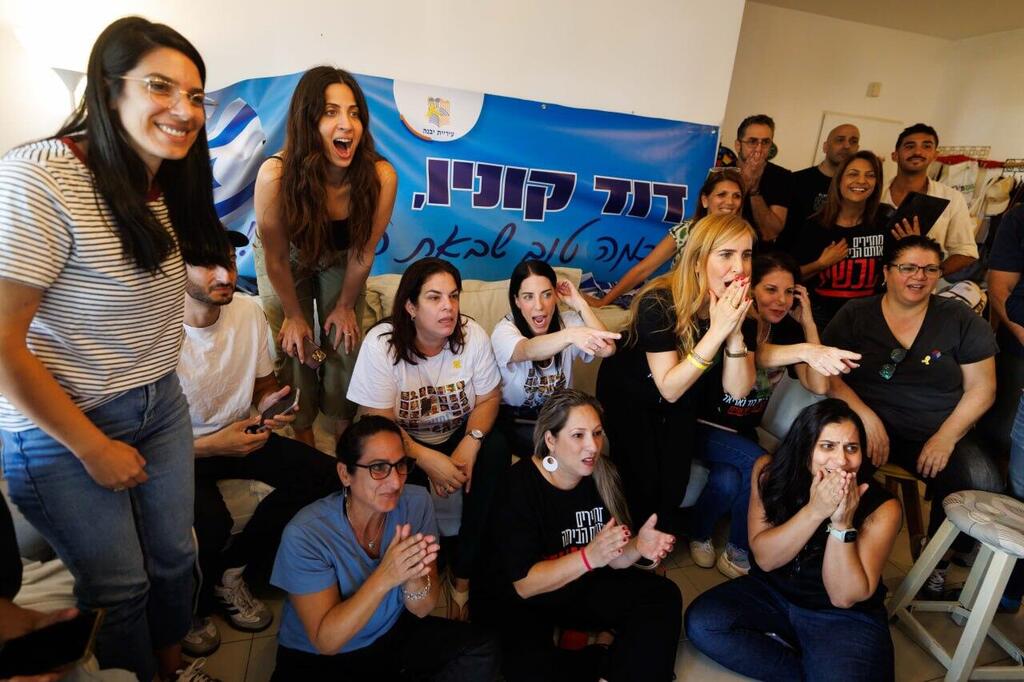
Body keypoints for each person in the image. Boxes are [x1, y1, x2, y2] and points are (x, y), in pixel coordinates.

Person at [0, 17, 227, 681]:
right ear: (109, 86)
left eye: (195, 96)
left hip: (159, 401)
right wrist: (90, 447)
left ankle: (171, 667)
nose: (184, 111)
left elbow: (123, 273)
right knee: (121, 586)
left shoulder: (164, 181)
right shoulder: (40, 179)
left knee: (176, 560)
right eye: (161, 87)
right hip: (65, 424)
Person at [176, 230, 341, 654]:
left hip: (242, 433)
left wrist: (272, 404)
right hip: (180, 451)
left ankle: (232, 572)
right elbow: (139, 435)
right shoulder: (157, 327)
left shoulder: (247, 311)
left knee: (328, 476)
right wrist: (212, 446)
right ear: (177, 269)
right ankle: (187, 613)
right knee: (208, 525)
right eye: (208, 264)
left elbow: (263, 383)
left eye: (230, 262)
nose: (225, 274)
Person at [823, 235, 1001, 597]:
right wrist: (867, 418)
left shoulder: (959, 318)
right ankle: (840, 554)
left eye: (929, 269)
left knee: (982, 482)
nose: (918, 276)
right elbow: (828, 375)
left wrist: (946, 437)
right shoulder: (856, 314)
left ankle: (935, 564)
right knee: (842, 472)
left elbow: (983, 388)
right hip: (867, 423)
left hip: (937, 427)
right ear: (886, 272)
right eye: (908, 267)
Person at [685, 399, 901, 682]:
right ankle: (810, 668)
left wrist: (841, 523)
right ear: (804, 448)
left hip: (840, 616)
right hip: (774, 593)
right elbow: (764, 558)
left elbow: (844, 597)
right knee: (704, 624)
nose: (841, 460)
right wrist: (815, 511)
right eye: (827, 446)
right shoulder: (770, 472)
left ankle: (819, 662)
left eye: (852, 448)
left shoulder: (883, 508)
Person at [270, 415, 499, 679]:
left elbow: (423, 608)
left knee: (482, 648)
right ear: (346, 474)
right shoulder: (306, 534)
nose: (395, 482)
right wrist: (386, 576)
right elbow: (326, 641)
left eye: (400, 465)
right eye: (378, 468)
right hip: (323, 656)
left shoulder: (416, 503)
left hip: (391, 632)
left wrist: (414, 581)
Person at [347, 257, 509, 620]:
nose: (448, 307)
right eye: (434, 298)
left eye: (453, 296)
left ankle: (463, 575)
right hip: (402, 444)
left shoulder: (471, 336)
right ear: (410, 305)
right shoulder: (381, 345)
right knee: (385, 463)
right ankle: (411, 569)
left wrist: (473, 439)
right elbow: (378, 422)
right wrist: (425, 458)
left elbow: (489, 398)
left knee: (496, 449)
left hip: (456, 435)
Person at [486, 389, 680, 682]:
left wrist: (638, 545)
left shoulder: (603, 476)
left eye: (597, 433)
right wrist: (589, 557)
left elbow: (613, 560)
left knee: (663, 595)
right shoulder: (519, 486)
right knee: (527, 669)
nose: (592, 446)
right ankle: (603, 657)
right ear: (551, 440)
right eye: (578, 435)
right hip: (529, 599)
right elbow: (525, 585)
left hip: (580, 588)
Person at [688, 252, 860, 578]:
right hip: (704, 427)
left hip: (742, 433)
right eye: (771, 290)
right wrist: (807, 351)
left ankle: (705, 535)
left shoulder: (788, 333)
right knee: (761, 464)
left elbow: (820, 383)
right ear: (750, 289)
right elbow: (760, 356)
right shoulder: (735, 322)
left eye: (789, 292)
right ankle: (739, 546)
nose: (781, 300)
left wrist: (808, 323)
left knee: (727, 481)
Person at [254, 65, 398, 448]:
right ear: (308, 120)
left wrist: (346, 306)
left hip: (342, 255)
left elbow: (363, 251)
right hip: (287, 258)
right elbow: (277, 260)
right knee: (298, 345)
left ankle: (343, 434)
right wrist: (296, 316)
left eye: (354, 113)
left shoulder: (381, 177)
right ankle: (304, 434)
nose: (346, 124)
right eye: (331, 112)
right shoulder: (276, 176)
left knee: (345, 340)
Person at [596, 213, 758, 538]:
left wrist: (736, 334)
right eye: (726, 254)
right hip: (630, 395)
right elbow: (668, 386)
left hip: (683, 397)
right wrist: (719, 331)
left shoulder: (737, 309)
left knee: (674, 482)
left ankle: (656, 548)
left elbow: (738, 390)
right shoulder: (658, 300)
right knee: (641, 477)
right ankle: (632, 553)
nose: (739, 268)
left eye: (746, 254)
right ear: (698, 261)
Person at [492, 260, 618, 454]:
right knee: (561, 450)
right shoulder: (504, 331)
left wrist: (579, 303)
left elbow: (607, 349)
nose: (539, 306)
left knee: (591, 443)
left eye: (547, 295)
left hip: (559, 415)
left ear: (556, 296)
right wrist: (570, 336)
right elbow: (527, 350)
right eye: (528, 297)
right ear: (516, 301)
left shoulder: (567, 322)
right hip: (517, 419)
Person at [583, 169, 744, 308]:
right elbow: (643, 269)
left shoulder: (743, 237)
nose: (730, 202)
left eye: (736, 196)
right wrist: (603, 302)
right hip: (682, 304)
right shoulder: (686, 231)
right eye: (721, 195)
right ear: (704, 200)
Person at [796, 150, 889, 329]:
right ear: (839, 180)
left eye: (870, 176)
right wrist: (821, 264)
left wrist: (910, 241)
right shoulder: (815, 226)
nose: (861, 181)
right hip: (820, 321)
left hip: (869, 321)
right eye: (853, 174)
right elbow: (791, 276)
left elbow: (897, 271)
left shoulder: (884, 222)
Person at [881, 123, 978, 278]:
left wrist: (929, 275)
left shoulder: (951, 198)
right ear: (895, 155)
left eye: (926, 146)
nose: (918, 151)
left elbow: (966, 252)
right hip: (868, 289)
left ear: (935, 155)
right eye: (909, 146)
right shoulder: (875, 193)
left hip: (917, 294)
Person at [786, 124, 860, 238]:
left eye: (853, 141)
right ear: (825, 147)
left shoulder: (857, 188)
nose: (847, 145)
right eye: (840, 140)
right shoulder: (795, 180)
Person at [733, 114, 793, 247]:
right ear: (738, 145)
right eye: (752, 142)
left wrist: (754, 191)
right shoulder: (722, 172)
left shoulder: (782, 176)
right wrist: (744, 184)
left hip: (760, 256)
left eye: (765, 142)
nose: (759, 149)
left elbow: (770, 233)